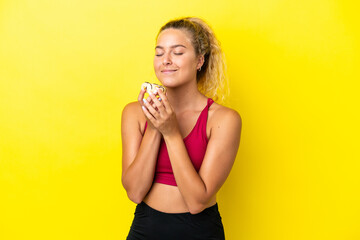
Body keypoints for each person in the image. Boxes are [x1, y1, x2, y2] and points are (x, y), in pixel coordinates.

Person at [121, 17, 242, 240]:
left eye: (177, 52)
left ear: (199, 61)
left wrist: (171, 131)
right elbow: (135, 192)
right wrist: (155, 126)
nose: (166, 60)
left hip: (200, 231)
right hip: (145, 228)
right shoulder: (134, 113)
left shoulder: (224, 120)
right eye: (159, 53)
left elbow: (197, 202)